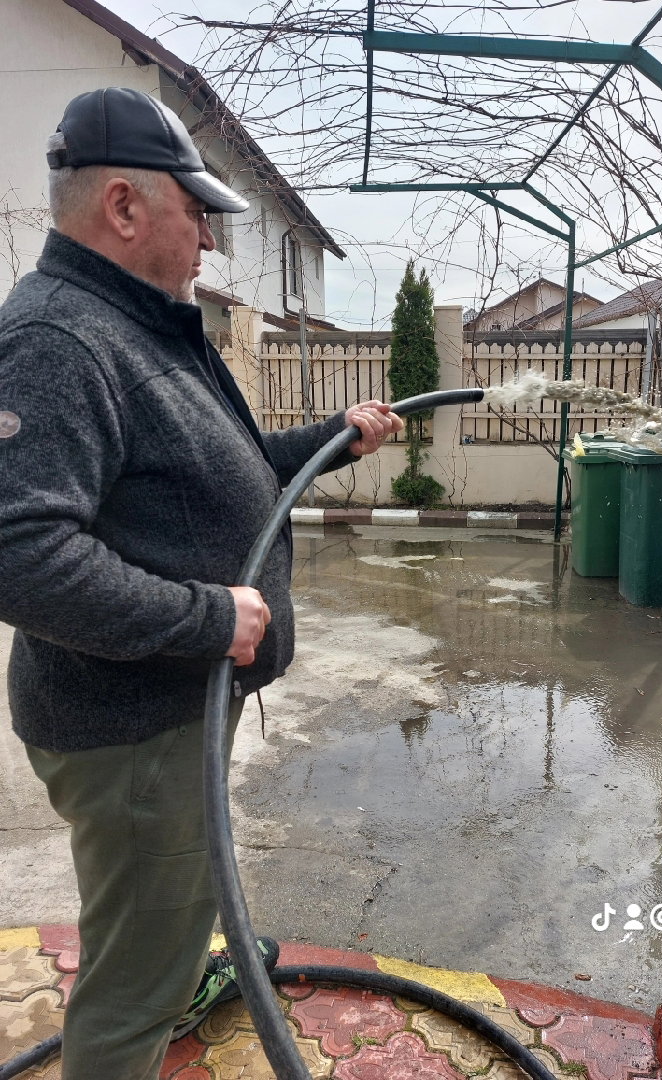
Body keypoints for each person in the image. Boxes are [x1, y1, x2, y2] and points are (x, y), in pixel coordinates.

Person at [0, 87, 403, 1079]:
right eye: (199, 213)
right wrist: (208, 616)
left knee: (165, 926)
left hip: (169, 711)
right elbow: (20, 553)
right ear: (126, 207)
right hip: (132, 736)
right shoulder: (60, 340)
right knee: (132, 993)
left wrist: (331, 441)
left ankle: (185, 964)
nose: (211, 244)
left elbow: (216, 465)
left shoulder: (139, 322)